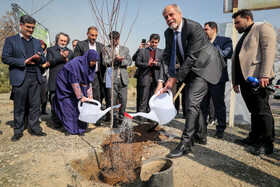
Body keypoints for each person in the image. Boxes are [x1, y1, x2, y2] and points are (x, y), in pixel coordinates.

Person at [155, 4, 225, 158]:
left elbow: (192, 57)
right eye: (166, 17)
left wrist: (175, 79)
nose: (169, 19)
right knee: (194, 104)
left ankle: (185, 144)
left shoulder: (194, 28)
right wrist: (161, 80)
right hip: (191, 68)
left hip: (206, 66)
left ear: (180, 14)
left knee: (191, 102)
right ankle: (201, 135)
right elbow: (166, 56)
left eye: (171, 14)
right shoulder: (168, 33)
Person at [232, 9, 276, 155]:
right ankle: (254, 138)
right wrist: (235, 81)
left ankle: (268, 143)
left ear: (248, 18)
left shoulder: (262, 27)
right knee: (253, 111)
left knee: (262, 110)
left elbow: (269, 51)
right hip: (245, 80)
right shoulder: (245, 35)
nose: (235, 26)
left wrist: (264, 75)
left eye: (238, 22)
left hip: (258, 78)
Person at [2, 15, 47, 141]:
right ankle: (18, 130)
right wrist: (24, 61)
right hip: (20, 77)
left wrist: (39, 58)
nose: (31, 30)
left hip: (35, 77)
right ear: (21, 25)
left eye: (32, 28)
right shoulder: (11, 40)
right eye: (28, 27)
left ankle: (34, 128)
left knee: (34, 105)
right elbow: (5, 58)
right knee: (19, 106)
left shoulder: (37, 42)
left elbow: (43, 59)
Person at [52, 50, 99, 136]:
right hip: (65, 84)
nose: (93, 63)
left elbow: (88, 81)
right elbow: (74, 82)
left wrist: (90, 95)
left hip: (78, 84)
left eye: (95, 61)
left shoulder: (91, 66)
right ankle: (70, 129)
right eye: (92, 61)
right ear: (87, 59)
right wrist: (80, 96)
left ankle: (80, 128)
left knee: (82, 106)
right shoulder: (76, 63)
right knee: (68, 106)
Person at [200, 21, 233, 139]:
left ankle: (220, 129)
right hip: (204, 78)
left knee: (219, 105)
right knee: (203, 105)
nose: (204, 32)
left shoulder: (225, 40)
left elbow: (228, 53)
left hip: (218, 79)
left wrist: (211, 51)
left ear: (214, 29)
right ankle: (202, 128)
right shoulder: (202, 43)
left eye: (206, 29)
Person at [74, 26, 105, 125]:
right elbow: (76, 59)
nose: (94, 37)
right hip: (84, 75)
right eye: (92, 35)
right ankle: (83, 118)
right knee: (83, 97)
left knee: (96, 96)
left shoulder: (101, 46)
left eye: (96, 35)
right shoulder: (80, 44)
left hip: (96, 75)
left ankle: (95, 118)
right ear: (87, 34)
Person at [44, 32, 74, 128]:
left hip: (66, 81)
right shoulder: (51, 50)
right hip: (54, 79)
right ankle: (56, 120)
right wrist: (61, 57)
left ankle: (64, 120)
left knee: (65, 101)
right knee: (54, 100)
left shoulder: (71, 52)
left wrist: (67, 60)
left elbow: (72, 65)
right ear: (57, 40)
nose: (63, 42)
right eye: (61, 40)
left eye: (65, 41)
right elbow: (49, 62)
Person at [104, 31, 132, 128]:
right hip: (109, 76)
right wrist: (115, 60)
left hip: (123, 78)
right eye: (113, 39)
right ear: (110, 39)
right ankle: (113, 119)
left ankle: (121, 118)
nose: (115, 40)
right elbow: (105, 62)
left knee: (123, 99)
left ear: (119, 38)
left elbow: (129, 61)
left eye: (117, 38)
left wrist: (121, 61)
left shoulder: (125, 49)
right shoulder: (105, 48)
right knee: (111, 100)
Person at [135, 34, 163, 123]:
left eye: (156, 42)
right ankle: (141, 118)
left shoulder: (161, 52)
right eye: (152, 42)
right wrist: (147, 64)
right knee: (143, 100)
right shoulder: (143, 51)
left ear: (158, 42)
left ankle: (150, 118)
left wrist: (156, 64)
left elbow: (163, 64)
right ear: (149, 41)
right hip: (144, 78)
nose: (154, 44)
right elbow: (137, 63)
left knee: (152, 100)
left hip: (155, 79)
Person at [132, 40, 150, 113]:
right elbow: (134, 59)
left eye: (148, 45)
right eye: (146, 45)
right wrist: (139, 49)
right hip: (141, 77)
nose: (147, 46)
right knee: (140, 96)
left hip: (150, 76)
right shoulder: (142, 51)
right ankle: (139, 112)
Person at [39, 39, 48, 115]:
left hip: (44, 77)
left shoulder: (46, 57)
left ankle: (43, 109)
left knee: (44, 94)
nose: (43, 50)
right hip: (37, 77)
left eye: (44, 49)